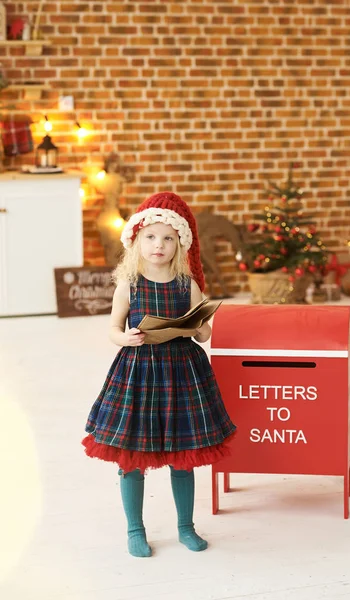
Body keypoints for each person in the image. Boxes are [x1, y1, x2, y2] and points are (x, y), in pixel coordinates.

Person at [82, 191, 236, 558]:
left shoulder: (188, 285)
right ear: (136, 241)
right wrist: (127, 337)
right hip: (139, 373)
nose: (159, 245)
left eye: (168, 238)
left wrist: (198, 329)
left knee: (183, 454)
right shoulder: (129, 284)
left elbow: (204, 330)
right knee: (132, 457)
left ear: (179, 245)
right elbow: (113, 330)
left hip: (182, 373)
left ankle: (186, 526)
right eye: (151, 237)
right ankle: (135, 529)